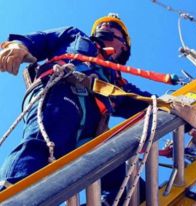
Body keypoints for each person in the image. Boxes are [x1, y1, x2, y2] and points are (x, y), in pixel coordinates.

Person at [0, 13, 151, 204]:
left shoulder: (118, 82)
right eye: (102, 24)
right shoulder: (75, 37)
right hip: (61, 95)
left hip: (93, 129)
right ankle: (11, 197)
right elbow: (42, 39)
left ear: (124, 45)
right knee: (43, 145)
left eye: (113, 26)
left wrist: (189, 113)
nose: (105, 25)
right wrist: (18, 46)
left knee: (132, 186)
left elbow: (150, 103)